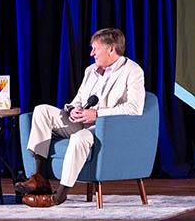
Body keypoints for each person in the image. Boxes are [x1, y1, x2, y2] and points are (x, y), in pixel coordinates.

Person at [16, 27, 145, 207]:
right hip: (82, 121)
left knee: (79, 138)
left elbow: (135, 108)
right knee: (42, 110)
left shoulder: (132, 70)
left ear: (110, 49)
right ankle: (40, 178)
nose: (92, 53)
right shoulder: (91, 70)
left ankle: (60, 195)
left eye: (95, 49)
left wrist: (98, 114)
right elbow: (78, 99)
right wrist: (72, 109)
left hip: (105, 128)